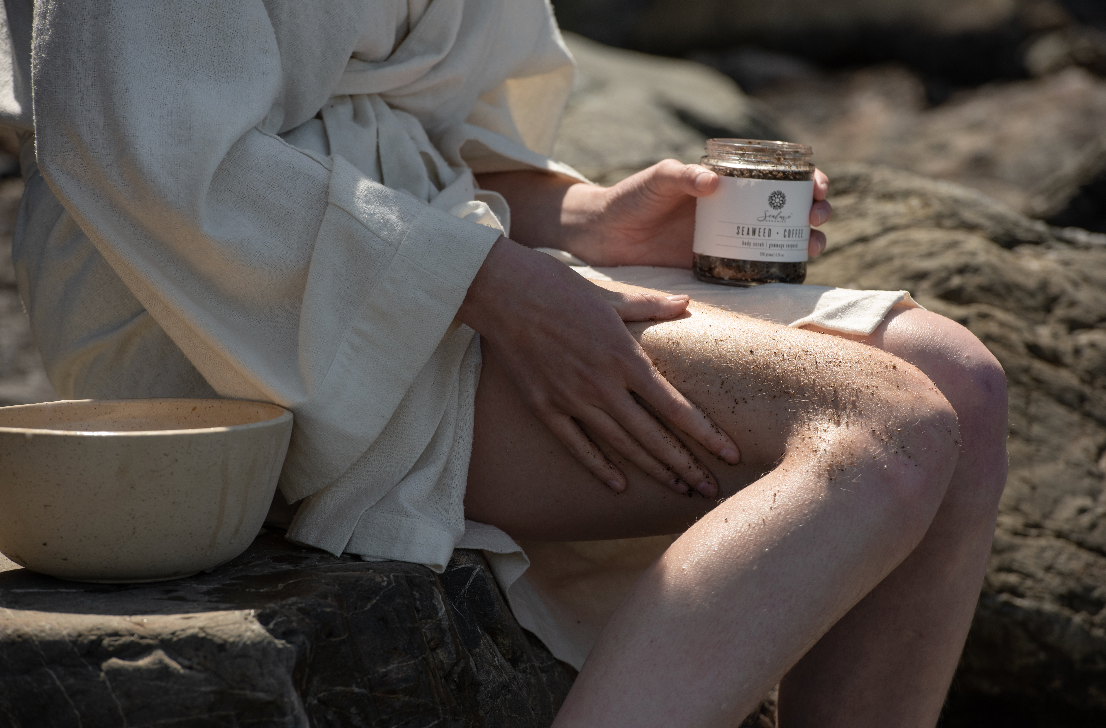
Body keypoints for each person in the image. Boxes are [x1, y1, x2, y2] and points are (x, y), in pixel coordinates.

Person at [0, 0, 1007, 725]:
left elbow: (433, 144)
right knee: (883, 433)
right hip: (213, 301)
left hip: (428, 254)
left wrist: (590, 217)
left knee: (959, 384)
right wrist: (498, 287)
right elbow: (131, 150)